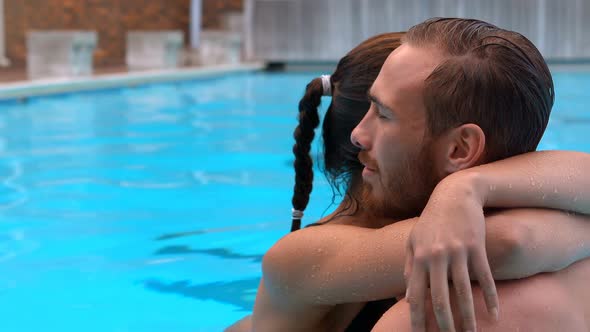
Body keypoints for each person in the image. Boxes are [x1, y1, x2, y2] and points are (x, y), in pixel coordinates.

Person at [227, 20, 590, 332]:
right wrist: (460, 190)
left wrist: (468, 187)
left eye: (383, 114)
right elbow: (509, 243)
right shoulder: (300, 257)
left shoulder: (470, 198)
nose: (359, 135)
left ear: (460, 150)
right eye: (373, 108)